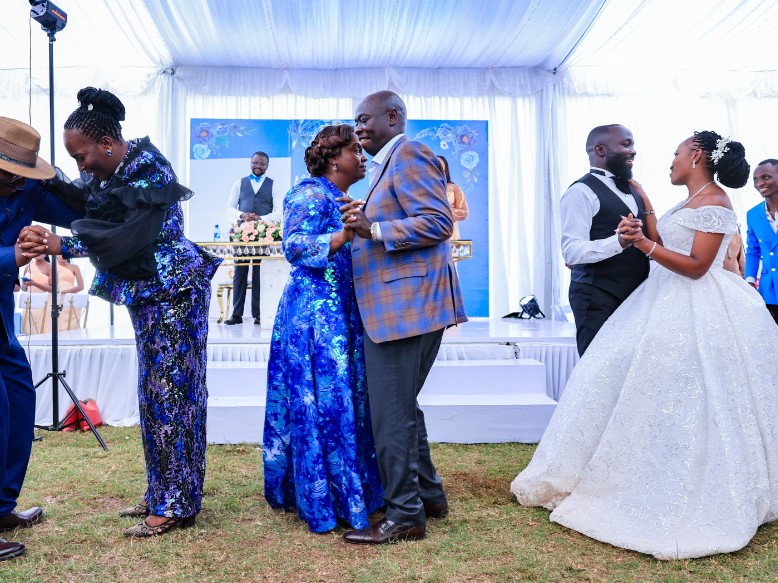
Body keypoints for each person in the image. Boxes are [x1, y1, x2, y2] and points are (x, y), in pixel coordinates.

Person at [511, 131, 778, 560]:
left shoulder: (717, 204)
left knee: (687, 394)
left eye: (676, 153)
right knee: (633, 386)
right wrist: (646, 206)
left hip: (694, 306)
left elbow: (695, 267)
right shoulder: (691, 200)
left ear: (696, 156)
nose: (669, 160)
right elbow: (666, 237)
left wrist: (642, 243)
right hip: (657, 302)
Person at [19, 87, 221, 538]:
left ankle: (176, 502)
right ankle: (163, 490)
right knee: (153, 392)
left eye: (82, 156)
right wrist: (37, 176)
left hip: (174, 293)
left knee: (173, 393)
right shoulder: (111, 174)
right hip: (149, 293)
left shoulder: (150, 169)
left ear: (107, 144)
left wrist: (62, 245)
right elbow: (81, 201)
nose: (81, 166)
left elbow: (129, 232)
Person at [338, 90, 467, 545]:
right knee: (401, 408)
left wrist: (372, 228)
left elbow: (437, 222)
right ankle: (428, 496)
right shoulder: (385, 166)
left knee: (389, 415)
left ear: (393, 117)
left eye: (364, 119)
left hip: (405, 308)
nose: (358, 128)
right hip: (400, 307)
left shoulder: (410, 153)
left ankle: (405, 515)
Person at [263, 124, 383, 533]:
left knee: (345, 401)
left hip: (343, 312)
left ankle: (355, 489)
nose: (362, 156)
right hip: (315, 316)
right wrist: (343, 234)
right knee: (325, 403)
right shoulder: (307, 193)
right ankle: (325, 497)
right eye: (355, 150)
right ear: (335, 159)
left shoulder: (342, 197)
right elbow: (294, 246)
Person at [0, 117, 83, 561]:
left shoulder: (25, 189)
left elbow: (81, 215)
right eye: (11, 174)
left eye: (24, 175)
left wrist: (48, 238)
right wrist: (13, 254)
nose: (18, 184)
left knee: (18, 399)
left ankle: (2, 507)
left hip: (1, 314)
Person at [561, 124, 650, 356]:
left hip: (634, 296)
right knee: (595, 370)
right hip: (596, 295)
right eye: (626, 144)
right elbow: (571, 252)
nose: (633, 151)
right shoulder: (580, 192)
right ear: (600, 150)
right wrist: (618, 242)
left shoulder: (634, 190)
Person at [223, 151, 279, 325]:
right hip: (242, 236)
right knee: (239, 272)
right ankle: (236, 315)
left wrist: (261, 219)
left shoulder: (273, 185)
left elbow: (279, 213)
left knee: (259, 274)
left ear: (267, 166)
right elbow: (229, 208)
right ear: (250, 163)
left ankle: (259, 314)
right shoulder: (239, 183)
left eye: (262, 164)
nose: (258, 166)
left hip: (264, 235)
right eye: (255, 163)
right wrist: (242, 215)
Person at [745, 159, 778, 324]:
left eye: (766, 177)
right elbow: (753, 250)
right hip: (769, 290)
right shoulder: (752, 214)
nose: (760, 183)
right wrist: (749, 280)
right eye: (756, 180)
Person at [436, 155, 469, 240]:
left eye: (440, 164)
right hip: (431, 235)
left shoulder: (454, 188)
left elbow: (463, 212)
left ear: (445, 168)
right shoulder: (425, 188)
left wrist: (441, 212)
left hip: (451, 235)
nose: (436, 167)